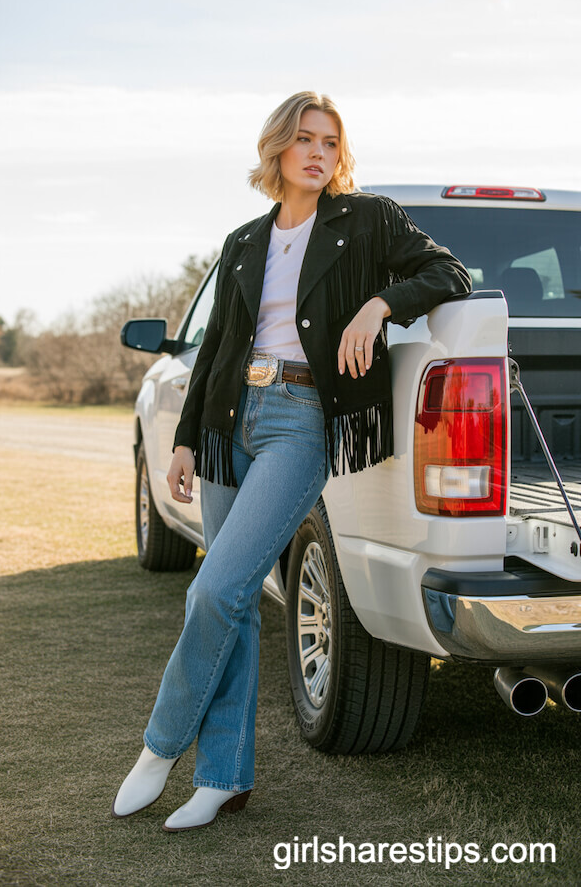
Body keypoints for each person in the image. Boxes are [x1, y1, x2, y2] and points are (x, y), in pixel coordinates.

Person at [112, 91, 472, 832]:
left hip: (301, 421)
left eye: (331, 143)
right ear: (277, 147)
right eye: (305, 139)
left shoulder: (366, 219)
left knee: (211, 592)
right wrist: (184, 439)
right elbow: (213, 350)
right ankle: (221, 778)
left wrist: (379, 306)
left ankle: (159, 745)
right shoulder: (244, 240)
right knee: (236, 601)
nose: (318, 153)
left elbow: (449, 274)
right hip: (228, 422)